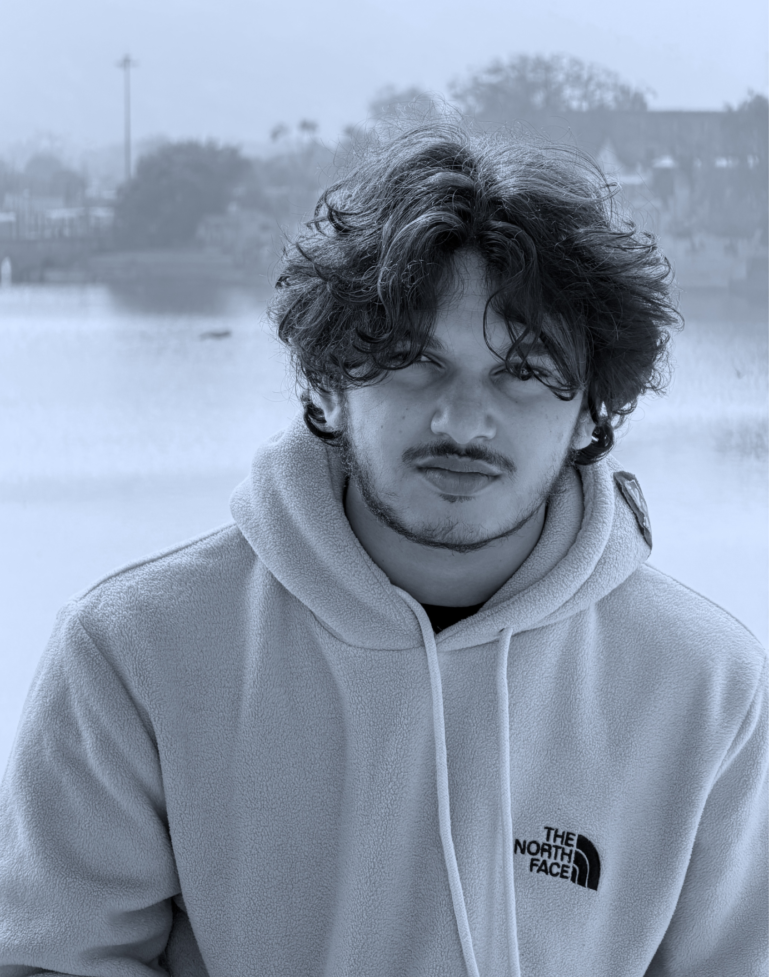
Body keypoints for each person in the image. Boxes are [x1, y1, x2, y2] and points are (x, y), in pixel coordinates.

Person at [0, 121, 765, 977]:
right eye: (411, 363)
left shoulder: (706, 681)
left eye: (520, 373)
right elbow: (55, 959)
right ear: (328, 387)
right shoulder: (133, 650)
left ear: (592, 411)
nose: (461, 421)